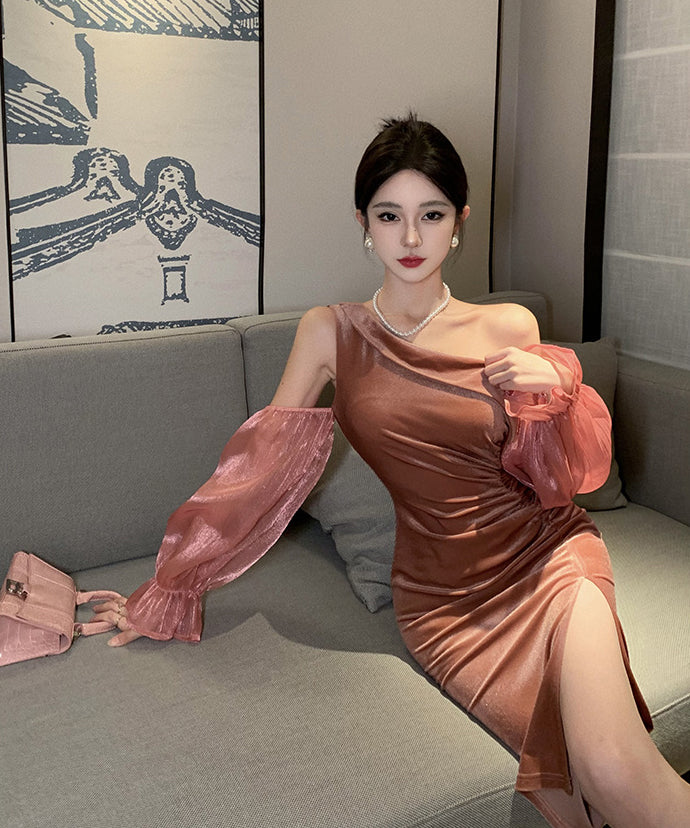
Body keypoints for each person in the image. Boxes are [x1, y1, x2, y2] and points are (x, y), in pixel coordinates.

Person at [94, 114, 690, 828]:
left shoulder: (511, 327)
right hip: (440, 602)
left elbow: (562, 481)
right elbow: (259, 472)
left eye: (431, 215)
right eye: (390, 215)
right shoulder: (330, 332)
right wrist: (173, 583)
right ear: (364, 224)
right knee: (573, 797)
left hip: (547, 561)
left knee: (613, 768)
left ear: (459, 222)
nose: (411, 238)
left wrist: (555, 393)